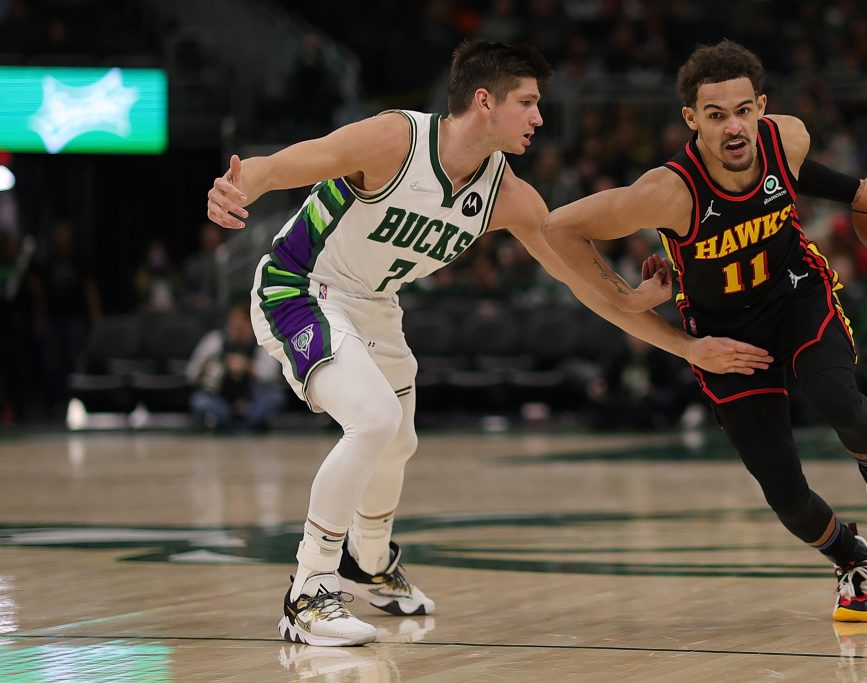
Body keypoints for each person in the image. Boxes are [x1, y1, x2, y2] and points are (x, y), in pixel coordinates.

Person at [206, 39, 770, 647]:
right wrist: (242, 184)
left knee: (397, 442)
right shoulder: (398, 139)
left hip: (374, 306)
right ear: (485, 101)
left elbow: (580, 279)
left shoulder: (509, 197)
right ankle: (308, 592)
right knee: (372, 420)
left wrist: (646, 313)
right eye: (527, 103)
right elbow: (295, 162)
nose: (539, 117)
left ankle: (367, 566)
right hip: (300, 286)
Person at [544, 39, 867, 623]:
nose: (733, 127)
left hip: (794, 293)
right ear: (692, 120)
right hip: (724, 335)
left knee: (837, 396)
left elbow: (795, 174)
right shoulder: (667, 192)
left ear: (761, 106)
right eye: (715, 116)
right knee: (786, 496)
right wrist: (629, 299)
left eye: (742, 111)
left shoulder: (788, 137)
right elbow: (559, 229)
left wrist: (861, 194)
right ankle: (851, 559)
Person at [185, 299, 285, 431]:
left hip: (251, 400)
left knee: (275, 397)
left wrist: (247, 366)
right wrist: (216, 364)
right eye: (234, 322)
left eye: (241, 324)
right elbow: (191, 373)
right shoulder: (216, 339)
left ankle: (242, 426)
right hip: (221, 398)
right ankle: (233, 424)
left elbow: (271, 375)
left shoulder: (262, 341)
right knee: (200, 400)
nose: (236, 327)